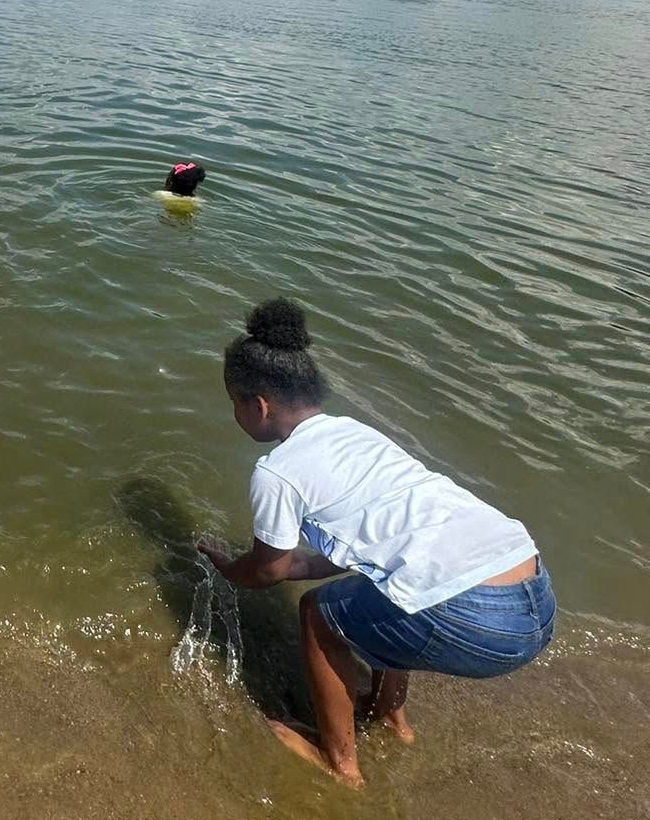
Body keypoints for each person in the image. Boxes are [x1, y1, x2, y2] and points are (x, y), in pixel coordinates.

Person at [200, 298, 553, 789]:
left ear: (258, 405)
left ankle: (339, 764)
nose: (235, 413)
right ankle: (390, 716)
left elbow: (266, 571)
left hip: (484, 624)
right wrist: (299, 565)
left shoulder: (277, 472)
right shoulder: (354, 433)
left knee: (318, 613)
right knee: (386, 582)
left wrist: (225, 565)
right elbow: (366, 550)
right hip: (534, 591)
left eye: (234, 402)